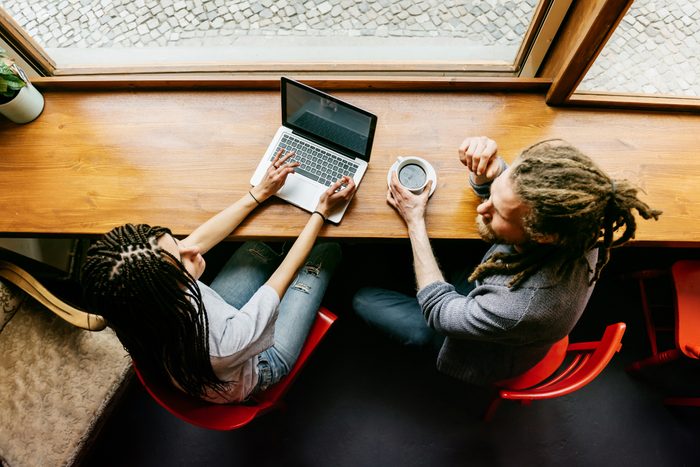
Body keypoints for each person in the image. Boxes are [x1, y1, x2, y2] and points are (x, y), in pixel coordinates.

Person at [353, 136, 661, 386]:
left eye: (497, 212)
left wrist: (414, 220)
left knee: (363, 300)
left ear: (541, 235)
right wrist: (488, 170)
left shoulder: (517, 308)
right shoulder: (579, 222)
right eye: (493, 197)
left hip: (475, 351)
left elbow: (439, 310)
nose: (482, 209)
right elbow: (516, 196)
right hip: (497, 305)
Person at [81, 149, 356, 403]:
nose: (192, 248)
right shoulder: (223, 346)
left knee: (258, 244)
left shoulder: (142, 306)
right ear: (170, 291)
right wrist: (321, 212)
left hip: (216, 329)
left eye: (176, 241)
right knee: (324, 252)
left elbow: (198, 240)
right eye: (182, 259)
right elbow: (281, 279)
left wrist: (260, 193)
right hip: (258, 361)